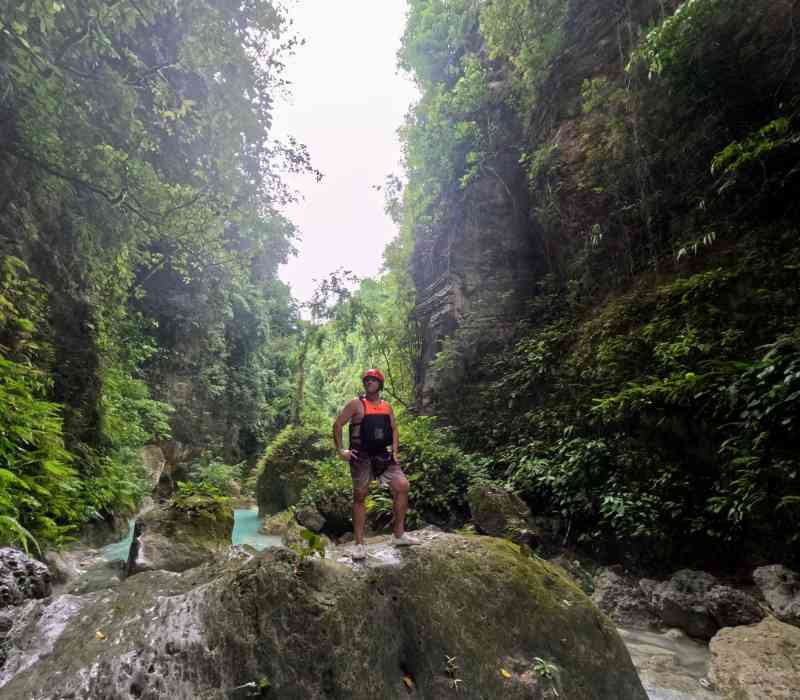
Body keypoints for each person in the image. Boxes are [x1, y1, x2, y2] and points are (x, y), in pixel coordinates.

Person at [333, 369, 419, 560]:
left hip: (382, 455)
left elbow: (394, 429)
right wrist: (341, 451)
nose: (369, 382)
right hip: (360, 455)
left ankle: (398, 535)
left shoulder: (387, 406)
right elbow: (338, 424)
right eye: (367, 380)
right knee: (360, 495)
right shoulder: (356, 404)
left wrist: (395, 451)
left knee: (402, 486)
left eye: (373, 380)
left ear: (380, 384)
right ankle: (359, 545)